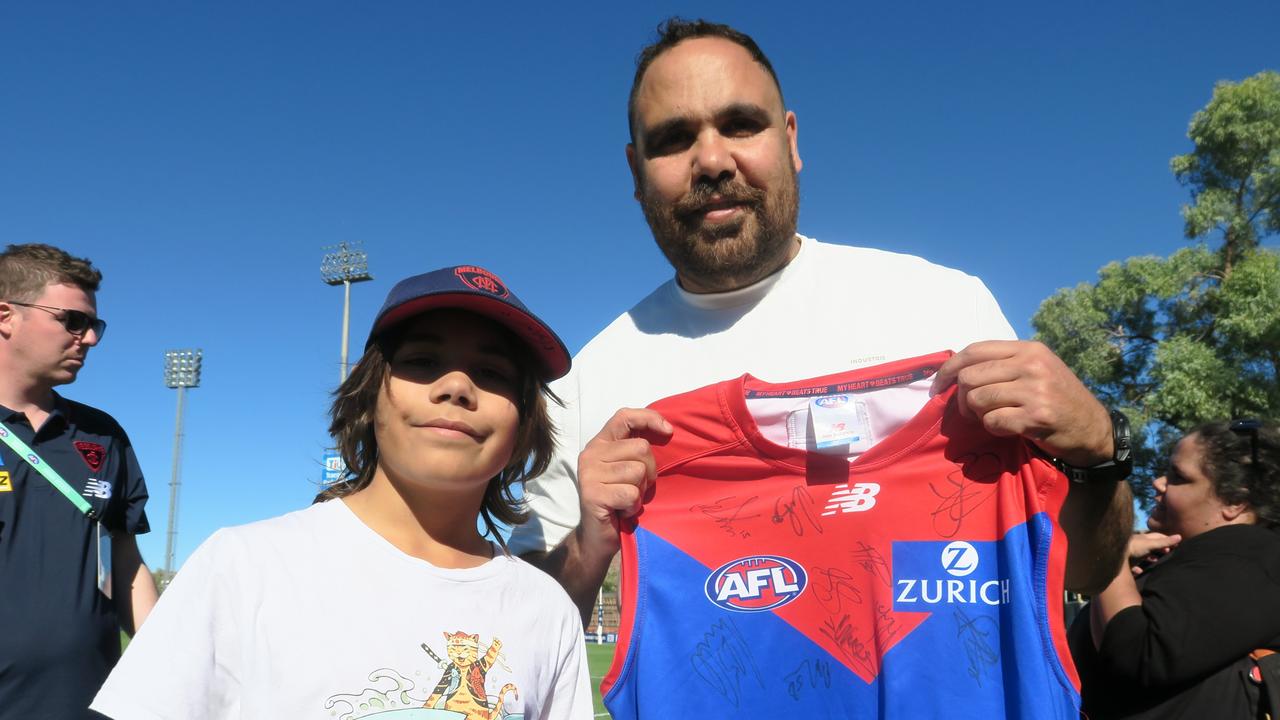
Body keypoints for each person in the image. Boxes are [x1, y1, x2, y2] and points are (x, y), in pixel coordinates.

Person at [507, 16, 1134, 717]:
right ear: (635, 171)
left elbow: (1082, 570)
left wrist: (1099, 453)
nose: (712, 160)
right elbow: (528, 637)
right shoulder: (590, 385)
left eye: (741, 124)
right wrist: (591, 544)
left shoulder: (942, 306)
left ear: (792, 139)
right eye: (674, 139)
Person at [90, 266, 592, 719]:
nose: (457, 386)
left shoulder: (547, 610)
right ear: (368, 399)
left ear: (524, 425)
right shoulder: (245, 564)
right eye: (422, 360)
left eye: (493, 373)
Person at [0, 243, 158, 720]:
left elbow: (126, 566)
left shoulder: (102, 434)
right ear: (6, 316)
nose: (88, 338)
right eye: (72, 321)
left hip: (90, 704)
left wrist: (164, 669)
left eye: (94, 326)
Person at [1069, 419, 1280, 718]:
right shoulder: (1195, 557)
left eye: (1178, 477)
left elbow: (1137, 653)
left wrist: (1113, 556)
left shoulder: (1253, 553)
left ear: (1234, 501)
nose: (1158, 482)